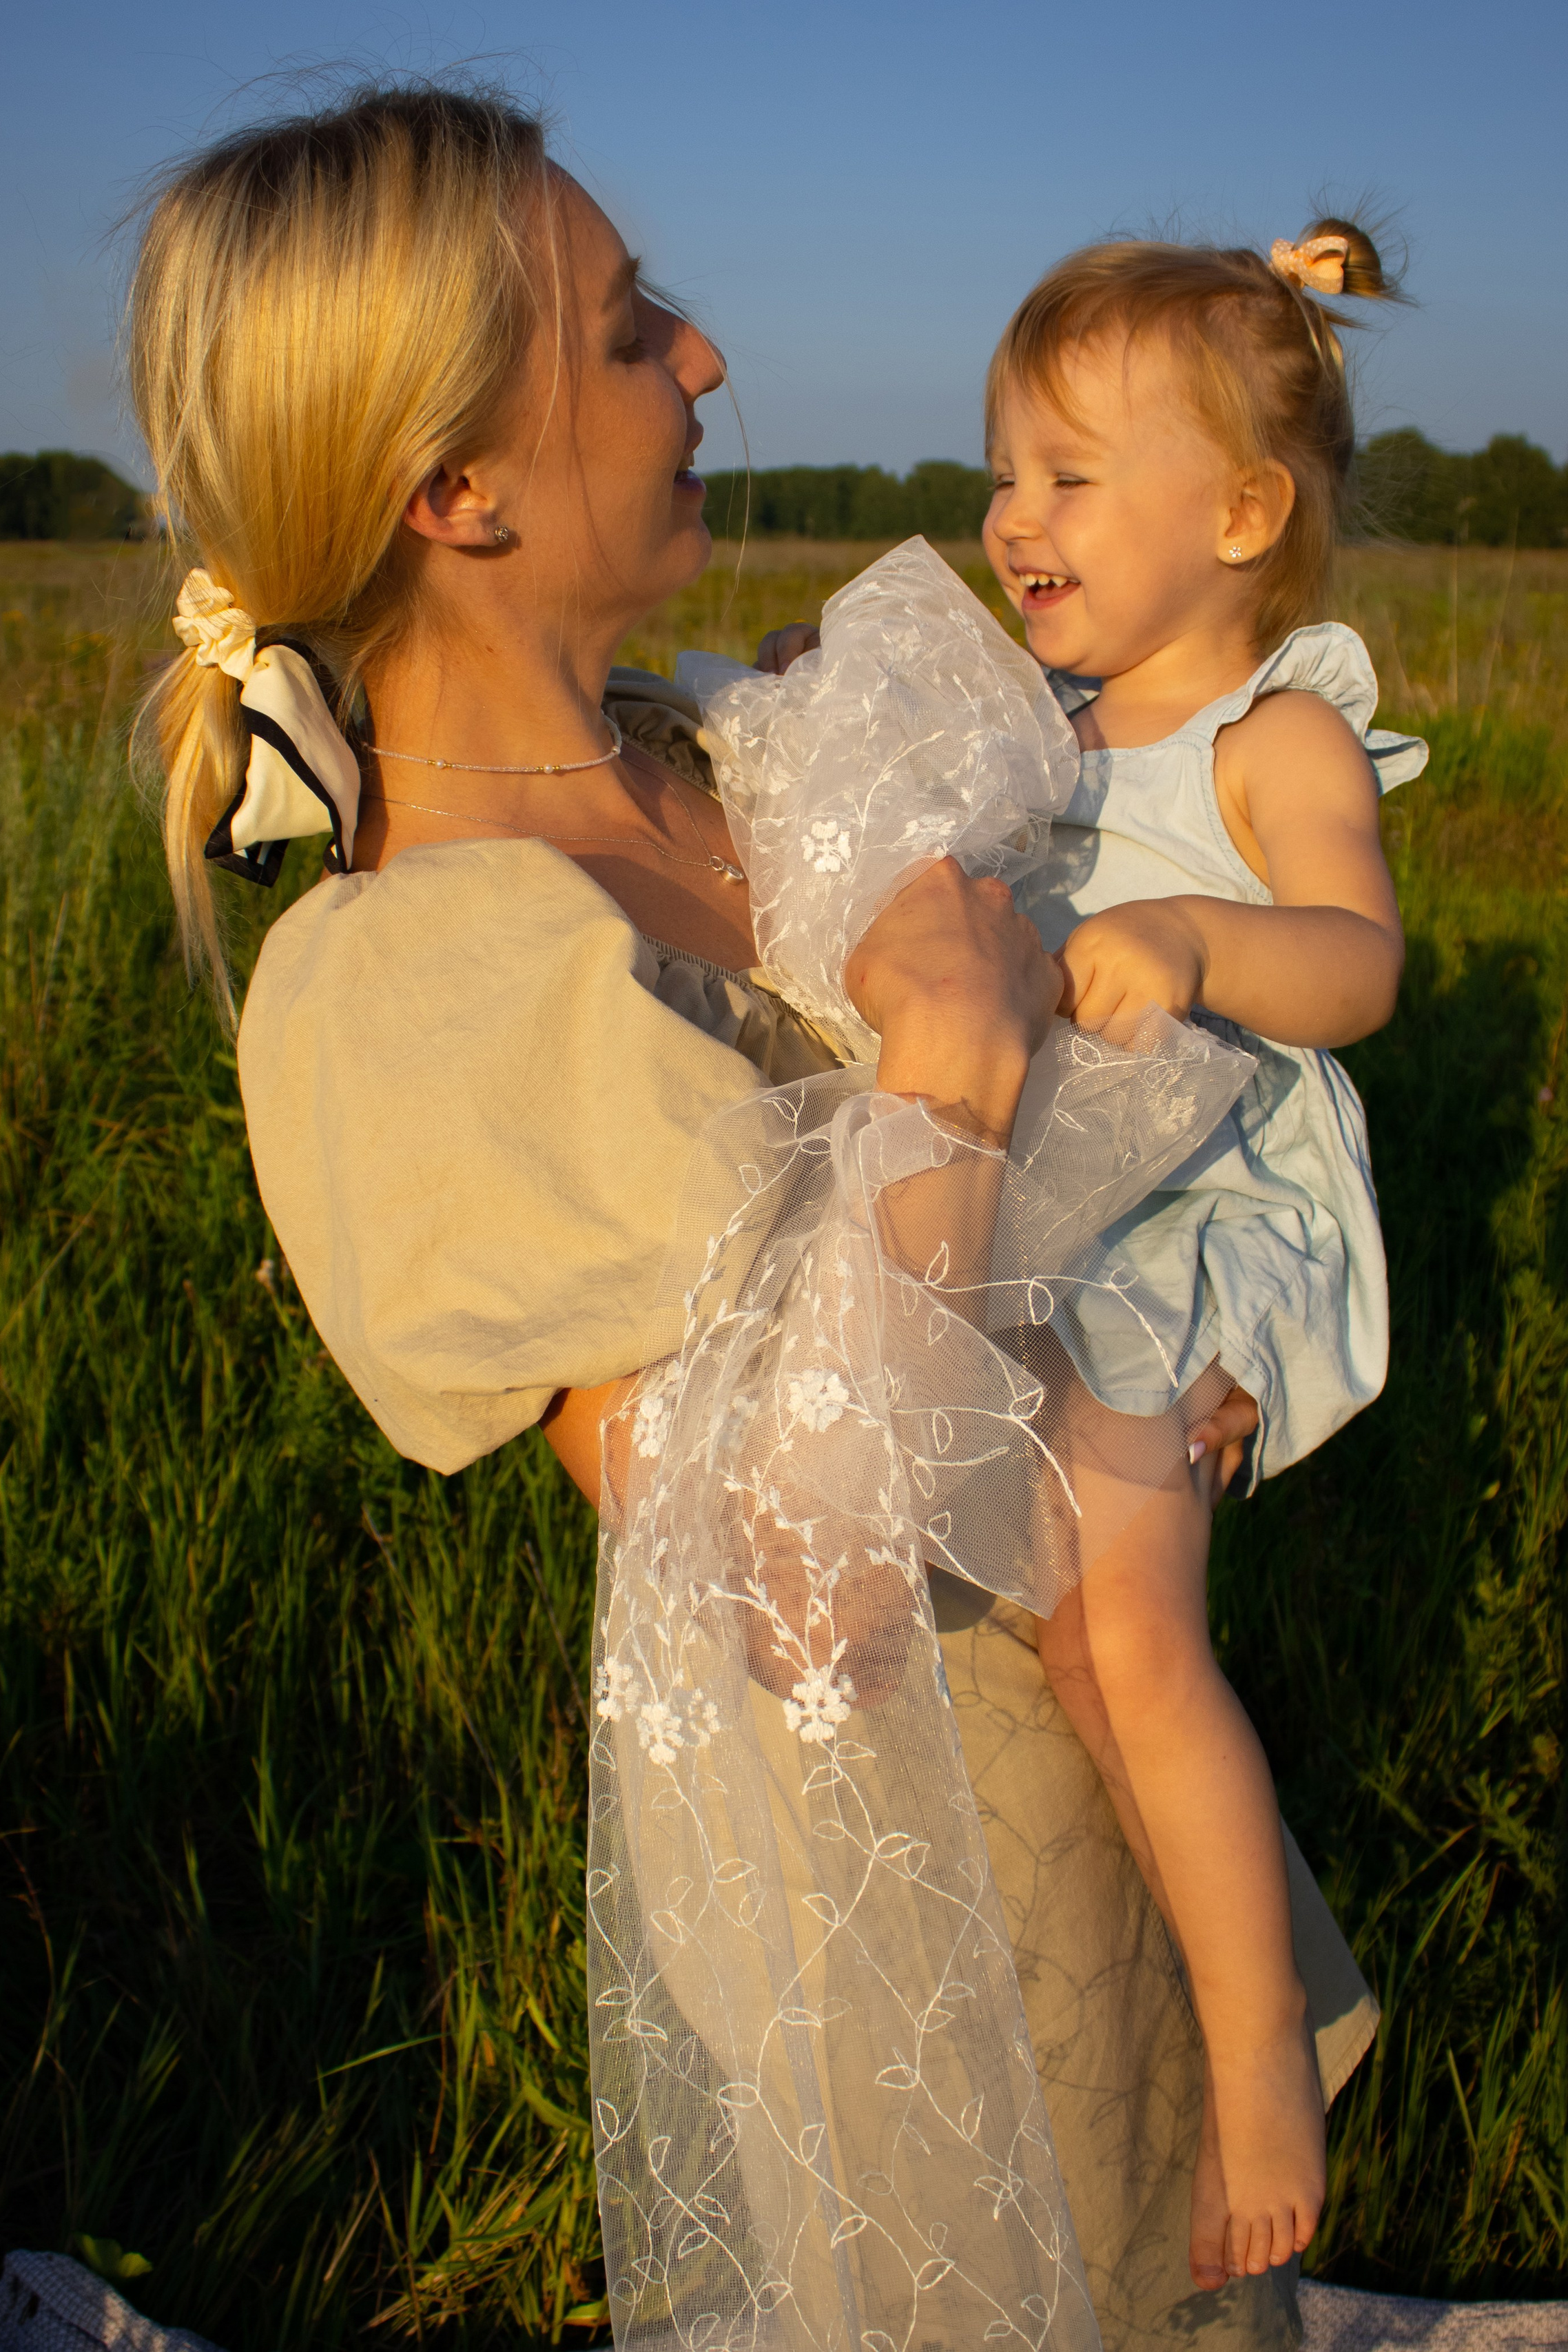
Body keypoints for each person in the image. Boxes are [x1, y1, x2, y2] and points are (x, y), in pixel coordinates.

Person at [129, 85, 1377, 2351]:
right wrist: (951, 1058)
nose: (705, 359)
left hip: (1105, 1756)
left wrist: (1188, 1319)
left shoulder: (725, 761)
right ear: (457, 487)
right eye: (633, 331)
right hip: (920, 1904)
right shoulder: (411, 981)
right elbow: (798, 1584)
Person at [750, 224, 1423, 2300]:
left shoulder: (1270, 743)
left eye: (1065, 477)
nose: (1009, 520)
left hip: (1208, 1197)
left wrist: (1205, 940)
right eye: (1001, 474)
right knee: (1063, 1635)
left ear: (1242, 515)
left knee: (1128, 1627)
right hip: (1077, 1195)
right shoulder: (1042, 721)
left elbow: (1363, 969)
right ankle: (1187, 1990)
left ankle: (1265, 2058)